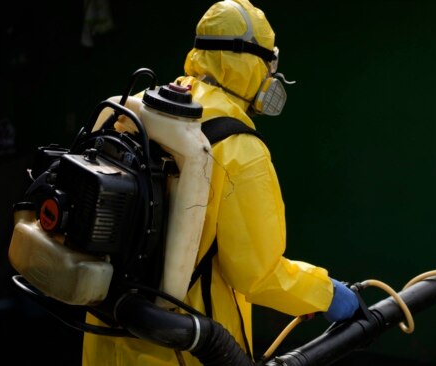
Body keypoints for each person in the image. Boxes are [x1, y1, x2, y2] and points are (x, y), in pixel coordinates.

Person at [82, 0, 359, 365]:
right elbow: (258, 274)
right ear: (252, 63)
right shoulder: (238, 148)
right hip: (183, 350)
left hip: (107, 337)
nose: (269, 77)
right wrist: (328, 294)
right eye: (268, 65)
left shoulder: (141, 111)